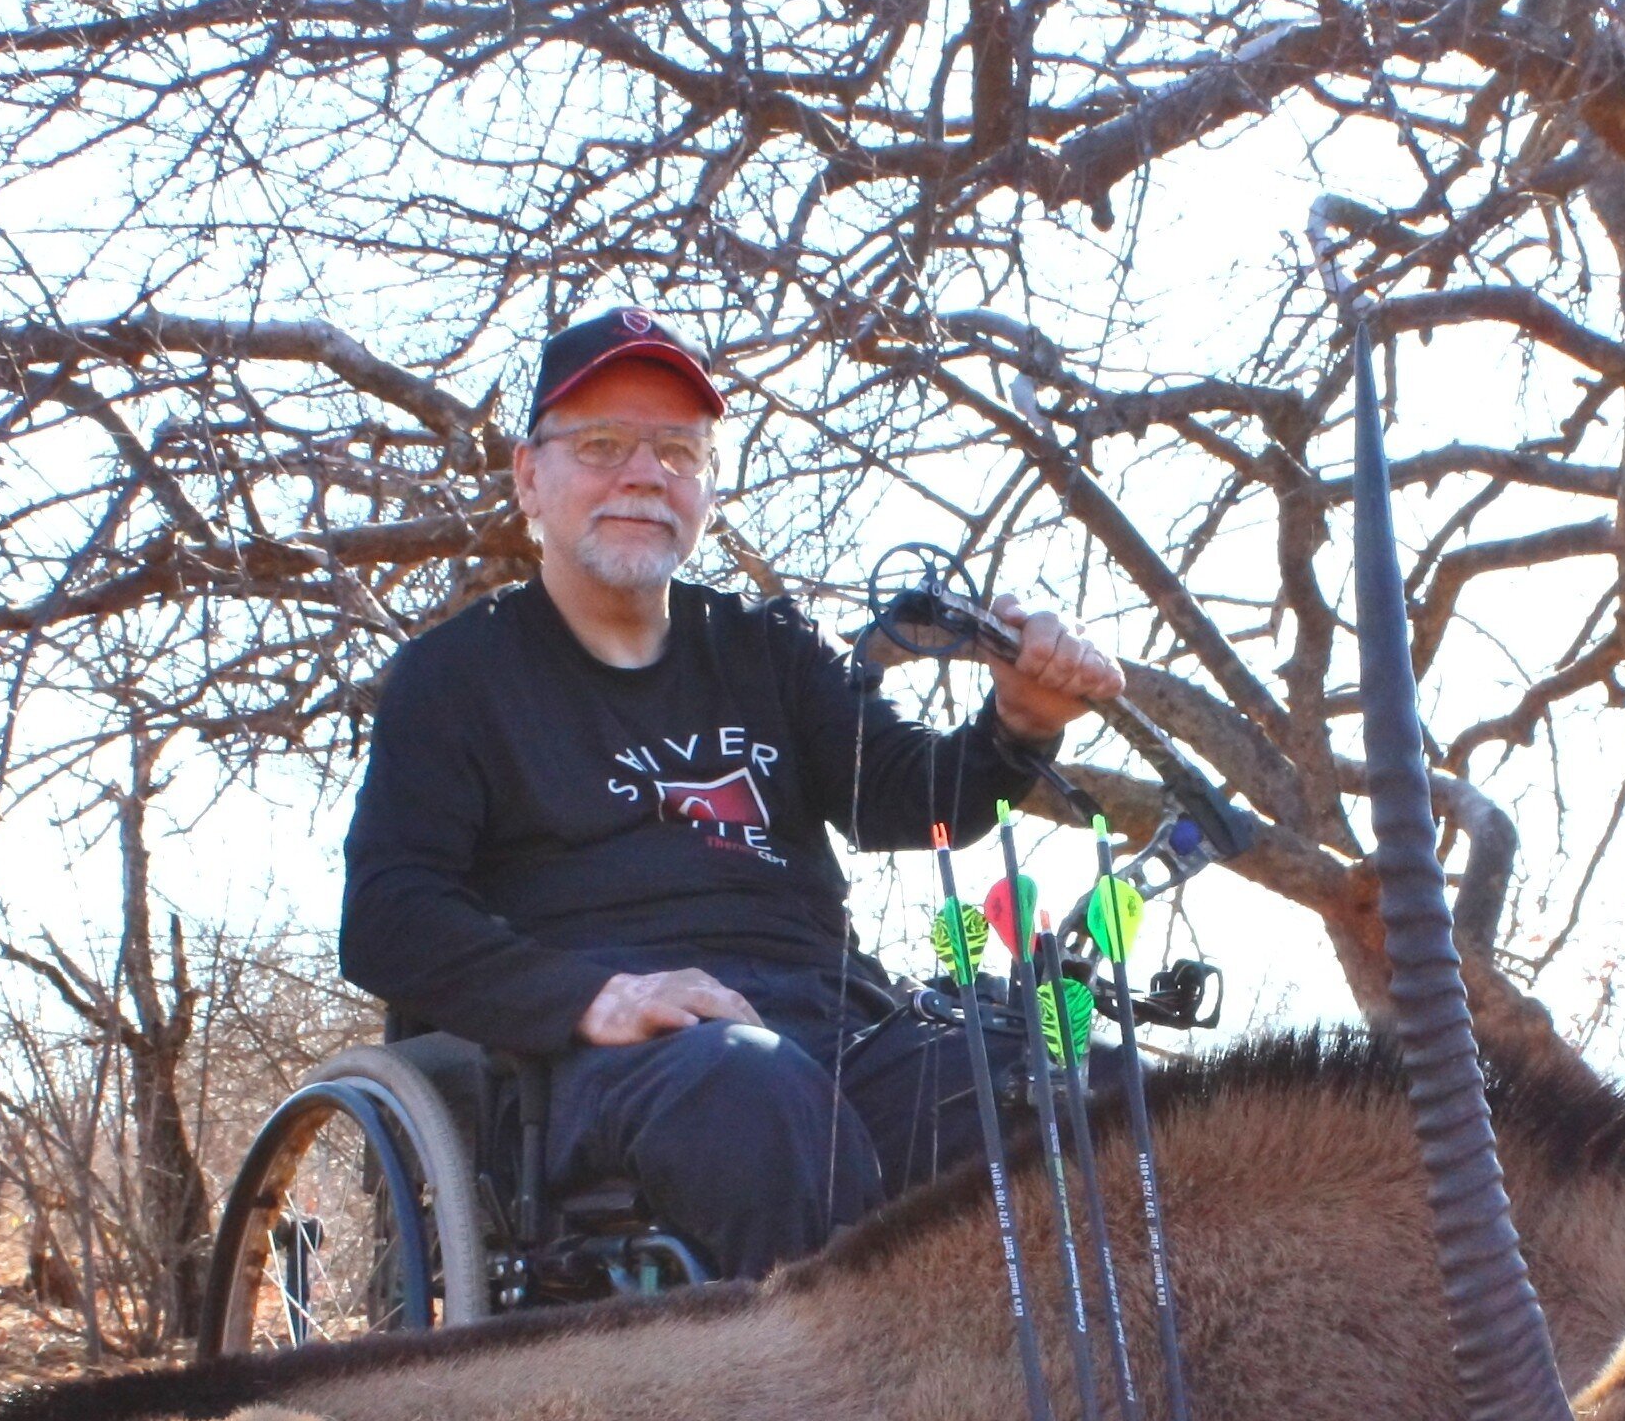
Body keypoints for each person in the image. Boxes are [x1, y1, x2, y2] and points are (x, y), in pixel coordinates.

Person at [337, 308, 1125, 1281]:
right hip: (625, 1064)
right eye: (601, 443)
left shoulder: (765, 648)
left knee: (1074, 1088)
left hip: (839, 1035)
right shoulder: (454, 679)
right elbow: (387, 919)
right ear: (528, 476)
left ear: (706, 484)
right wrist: (599, 997)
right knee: (755, 1092)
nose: (643, 472)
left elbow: (908, 799)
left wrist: (1020, 721)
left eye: (678, 449)